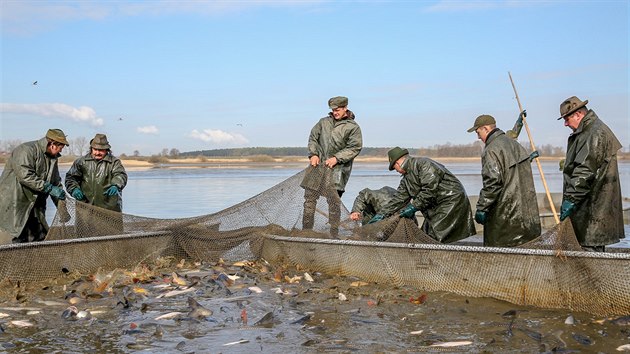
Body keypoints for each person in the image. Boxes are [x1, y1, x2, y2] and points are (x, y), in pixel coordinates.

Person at [557, 96, 624, 252]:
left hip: (592, 210)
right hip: (592, 209)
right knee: (590, 251)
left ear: (578, 114)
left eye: (567, 118)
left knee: (589, 252)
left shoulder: (594, 133)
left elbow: (585, 171)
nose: (565, 123)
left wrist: (570, 199)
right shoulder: (589, 130)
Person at [369, 147, 476, 244]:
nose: (396, 171)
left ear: (397, 163)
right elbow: (398, 199)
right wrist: (382, 214)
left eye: (394, 168)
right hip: (434, 207)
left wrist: (413, 207)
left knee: (435, 235)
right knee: (425, 234)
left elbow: (429, 191)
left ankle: (440, 258)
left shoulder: (424, 164)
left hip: (450, 201)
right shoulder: (406, 179)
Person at [467, 114, 541, 247]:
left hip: (506, 217)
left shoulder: (491, 150)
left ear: (486, 129)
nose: (478, 137)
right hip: (526, 217)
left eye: (478, 132)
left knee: (500, 258)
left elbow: (493, 182)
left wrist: (482, 208)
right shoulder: (515, 145)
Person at [301, 96, 363, 237]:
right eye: (333, 110)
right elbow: (313, 139)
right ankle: (306, 233)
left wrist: (337, 158)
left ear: (345, 108)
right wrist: (313, 154)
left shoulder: (353, 127)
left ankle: (333, 234)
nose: (335, 112)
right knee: (309, 201)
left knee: (334, 204)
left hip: (338, 171)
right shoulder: (323, 123)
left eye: (338, 110)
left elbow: (355, 147)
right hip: (316, 169)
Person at [0, 129, 69, 244]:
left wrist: (62, 209)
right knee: (15, 239)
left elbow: (56, 183)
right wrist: (49, 188)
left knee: (39, 237)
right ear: (52, 144)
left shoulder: (53, 159)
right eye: (60, 148)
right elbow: (25, 176)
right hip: (15, 203)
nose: (60, 151)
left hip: (36, 206)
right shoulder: (26, 150)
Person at [65, 134, 128, 236]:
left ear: (107, 150)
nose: (97, 152)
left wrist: (116, 185)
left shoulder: (114, 162)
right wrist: (74, 189)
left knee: (112, 237)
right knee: (84, 236)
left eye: (101, 150)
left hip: (109, 208)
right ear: (91, 149)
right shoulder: (81, 162)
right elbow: (71, 178)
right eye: (95, 149)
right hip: (85, 207)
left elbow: (120, 175)